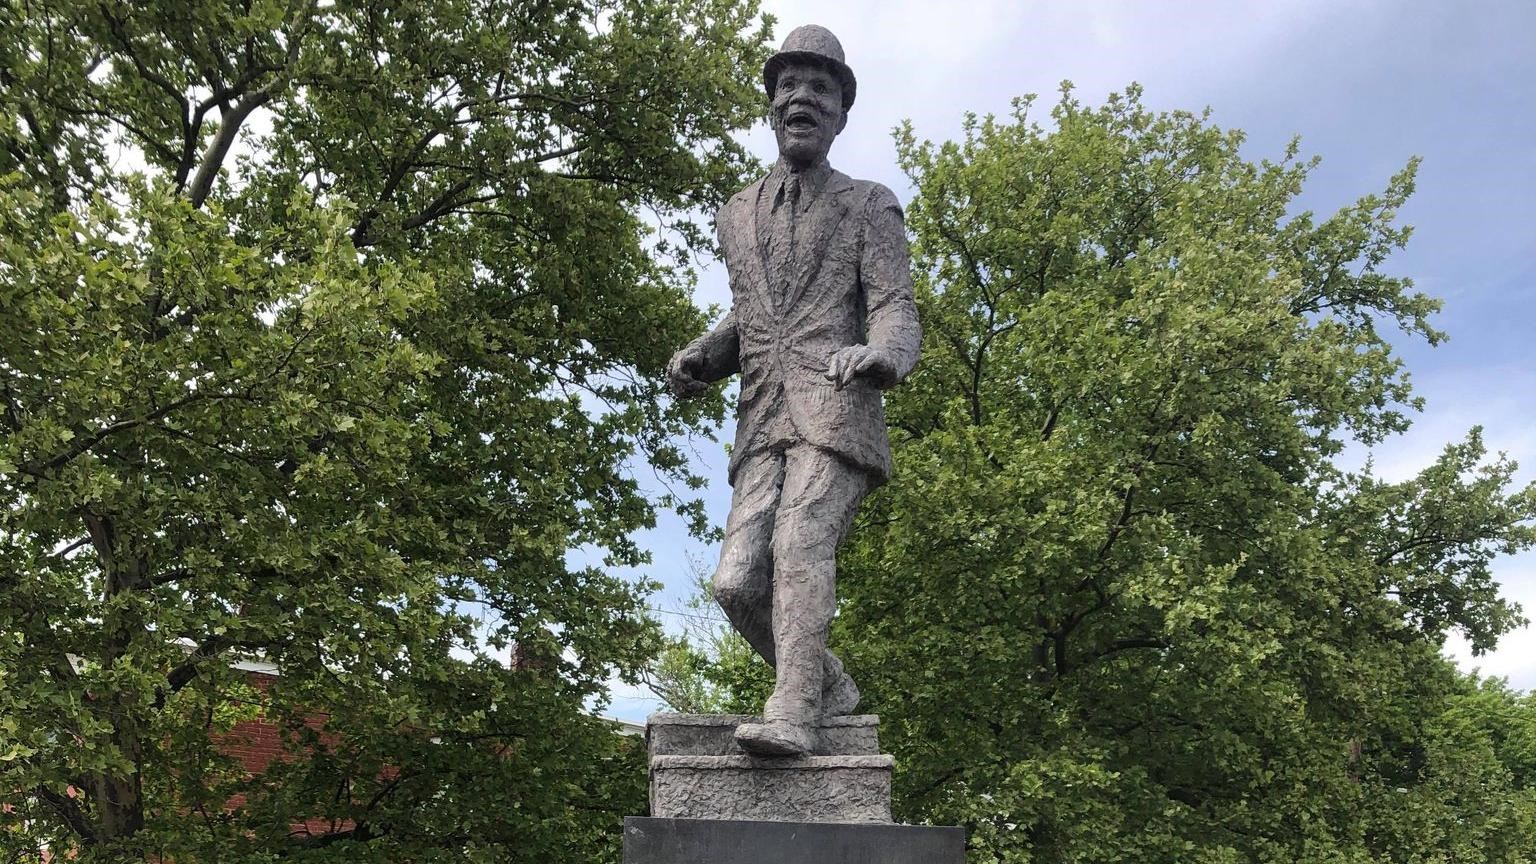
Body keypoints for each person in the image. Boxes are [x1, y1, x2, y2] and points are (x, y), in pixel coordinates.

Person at [667, 24, 922, 757]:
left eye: (821, 89)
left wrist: (884, 356)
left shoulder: (870, 205)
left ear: (842, 112)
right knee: (737, 583)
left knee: (799, 543)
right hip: (762, 415)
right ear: (772, 106)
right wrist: (703, 355)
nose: (802, 99)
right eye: (790, 86)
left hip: (837, 405)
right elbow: (751, 312)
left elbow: (895, 305)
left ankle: (793, 715)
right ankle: (826, 685)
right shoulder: (736, 212)